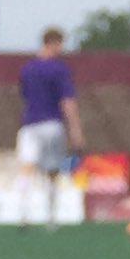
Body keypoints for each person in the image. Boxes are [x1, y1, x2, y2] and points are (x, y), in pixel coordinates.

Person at [16, 27, 84, 228]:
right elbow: (67, 101)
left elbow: (24, 95)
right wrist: (75, 129)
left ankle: (23, 214)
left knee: (26, 167)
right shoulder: (59, 69)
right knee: (52, 171)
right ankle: (51, 218)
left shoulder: (27, 68)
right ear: (53, 43)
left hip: (29, 124)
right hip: (52, 124)